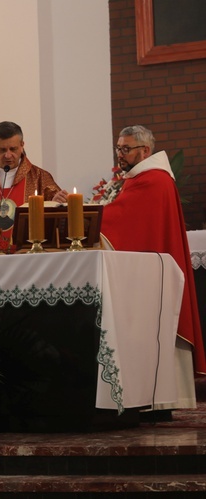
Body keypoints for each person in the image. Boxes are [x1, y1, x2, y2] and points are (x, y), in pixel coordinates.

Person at [101, 125, 206, 410]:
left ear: (145, 151)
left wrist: (81, 214)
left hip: (155, 279)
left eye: (126, 149)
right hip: (150, 272)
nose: (120, 155)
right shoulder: (143, 178)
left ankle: (163, 400)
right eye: (118, 148)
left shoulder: (154, 180)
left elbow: (120, 219)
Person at [0, 121, 68, 255]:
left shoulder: (40, 179)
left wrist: (55, 205)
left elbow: (58, 223)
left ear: (22, 146)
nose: (8, 155)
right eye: (2, 150)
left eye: (13, 149)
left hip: (28, 260)